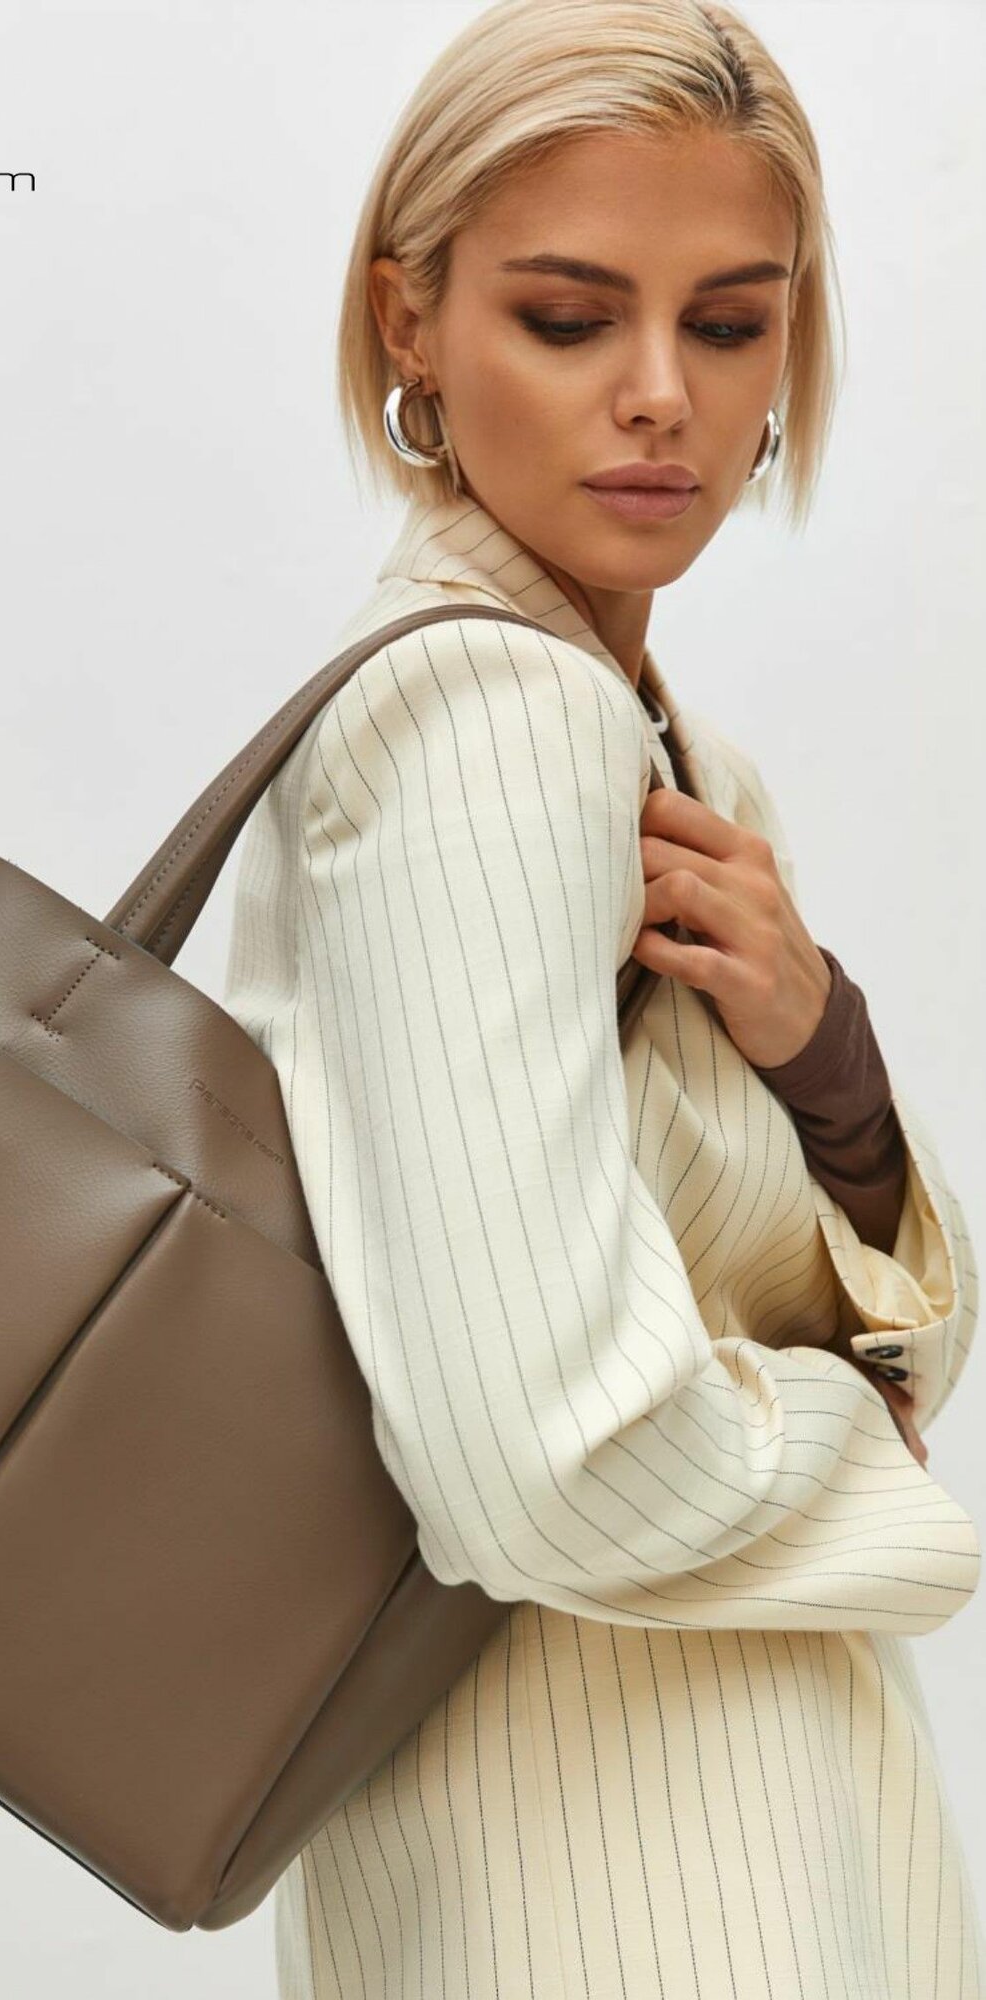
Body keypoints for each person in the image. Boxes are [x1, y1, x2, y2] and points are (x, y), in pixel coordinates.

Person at [220, 2, 980, 1993]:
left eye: (729, 324)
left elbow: (851, 1330)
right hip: (621, 1875)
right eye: (568, 317)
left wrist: (833, 1069)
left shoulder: (663, 752)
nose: (659, 397)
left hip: (734, 1818)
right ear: (409, 321)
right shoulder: (487, 719)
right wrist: (880, 1464)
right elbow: (542, 1463)